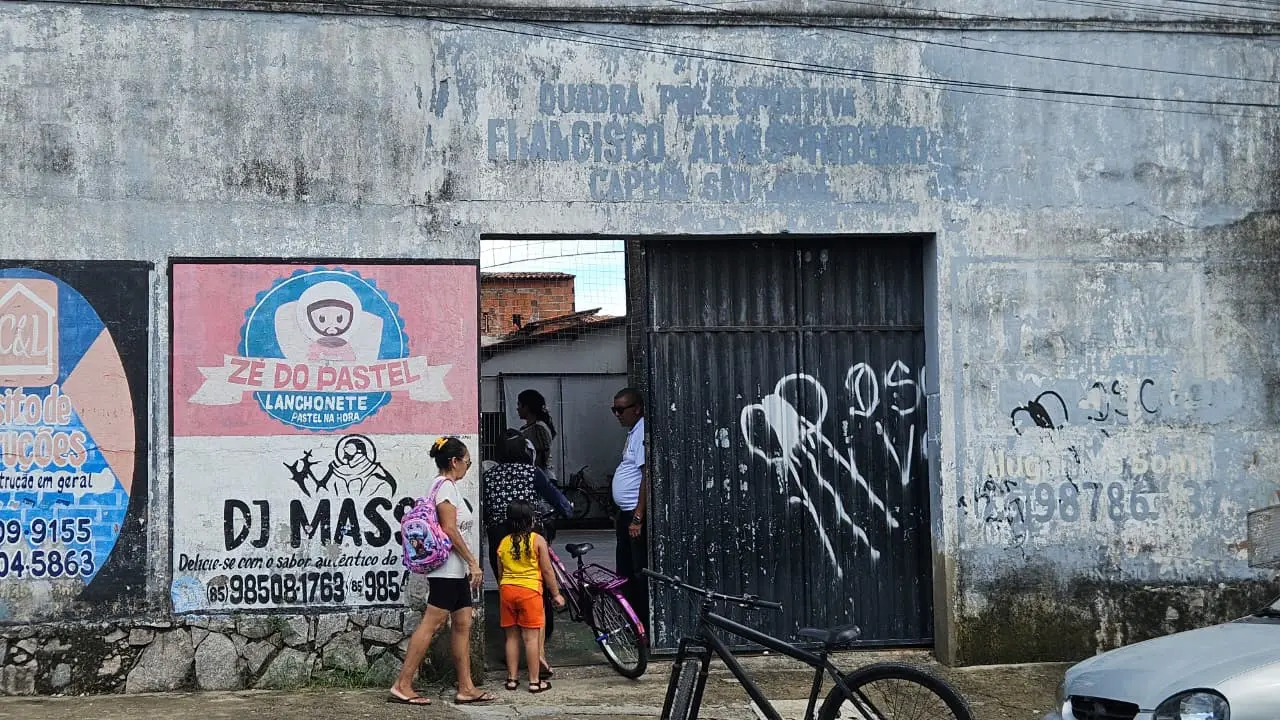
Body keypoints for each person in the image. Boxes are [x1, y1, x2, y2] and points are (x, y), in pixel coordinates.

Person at [389, 437, 496, 706]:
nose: (468, 467)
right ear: (454, 461)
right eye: (467, 462)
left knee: (463, 624)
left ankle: (466, 687)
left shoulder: (444, 487)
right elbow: (450, 529)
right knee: (432, 624)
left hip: (455, 571)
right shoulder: (446, 488)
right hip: (447, 570)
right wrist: (473, 561)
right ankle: (403, 684)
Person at [481, 429, 571, 678]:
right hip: (530, 539)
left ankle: (514, 651)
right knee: (536, 593)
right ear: (525, 451)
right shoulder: (532, 473)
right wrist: (564, 513)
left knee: (509, 592)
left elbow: (483, 510)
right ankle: (538, 652)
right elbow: (560, 503)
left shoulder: (489, 477)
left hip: (500, 541)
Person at [496, 500, 565, 693]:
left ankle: (511, 679)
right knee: (531, 639)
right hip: (530, 592)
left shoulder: (503, 542)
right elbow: (547, 571)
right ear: (531, 519)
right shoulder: (537, 540)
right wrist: (556, 594)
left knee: (511, 637)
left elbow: (500, 573)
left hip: (507, 591)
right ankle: (534, 682)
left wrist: (506, 589)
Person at [610, 387, 649, 626]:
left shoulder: (642, 431)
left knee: (636, 572)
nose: (617, 414)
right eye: (614, 409)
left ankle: (640, 623)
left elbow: (647, 476)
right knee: (623, 569)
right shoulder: (633, 432)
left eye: (621, 409)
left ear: (636, 409)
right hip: (625, 514)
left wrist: (637, 517)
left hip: (634, 516)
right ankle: (630, 620)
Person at [517, 389, 558, 482]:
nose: (517, 408)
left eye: (519, 404)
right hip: (533, 475)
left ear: (526, 407)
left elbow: (544, 453)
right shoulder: (526, 428)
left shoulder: (539, 428)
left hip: (543, 477)